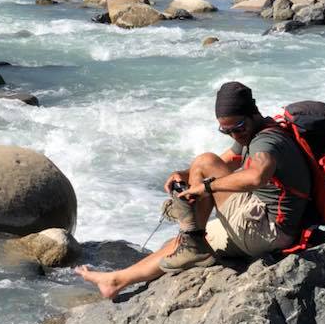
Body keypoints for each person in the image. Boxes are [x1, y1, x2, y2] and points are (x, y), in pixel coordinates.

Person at [76, 82, 311, 300]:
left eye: (238, 128)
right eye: (225, 130)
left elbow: (257, 175)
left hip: (270, 230)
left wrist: (205, 188)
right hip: (267, 224)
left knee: (204, 162)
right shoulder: (251, 131)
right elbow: (228, 160)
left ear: (253, 113)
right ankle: (116, 281)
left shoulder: (266, 142)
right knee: (181, 242)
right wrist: (186, 174)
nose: (234, 135)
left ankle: (193, 246)